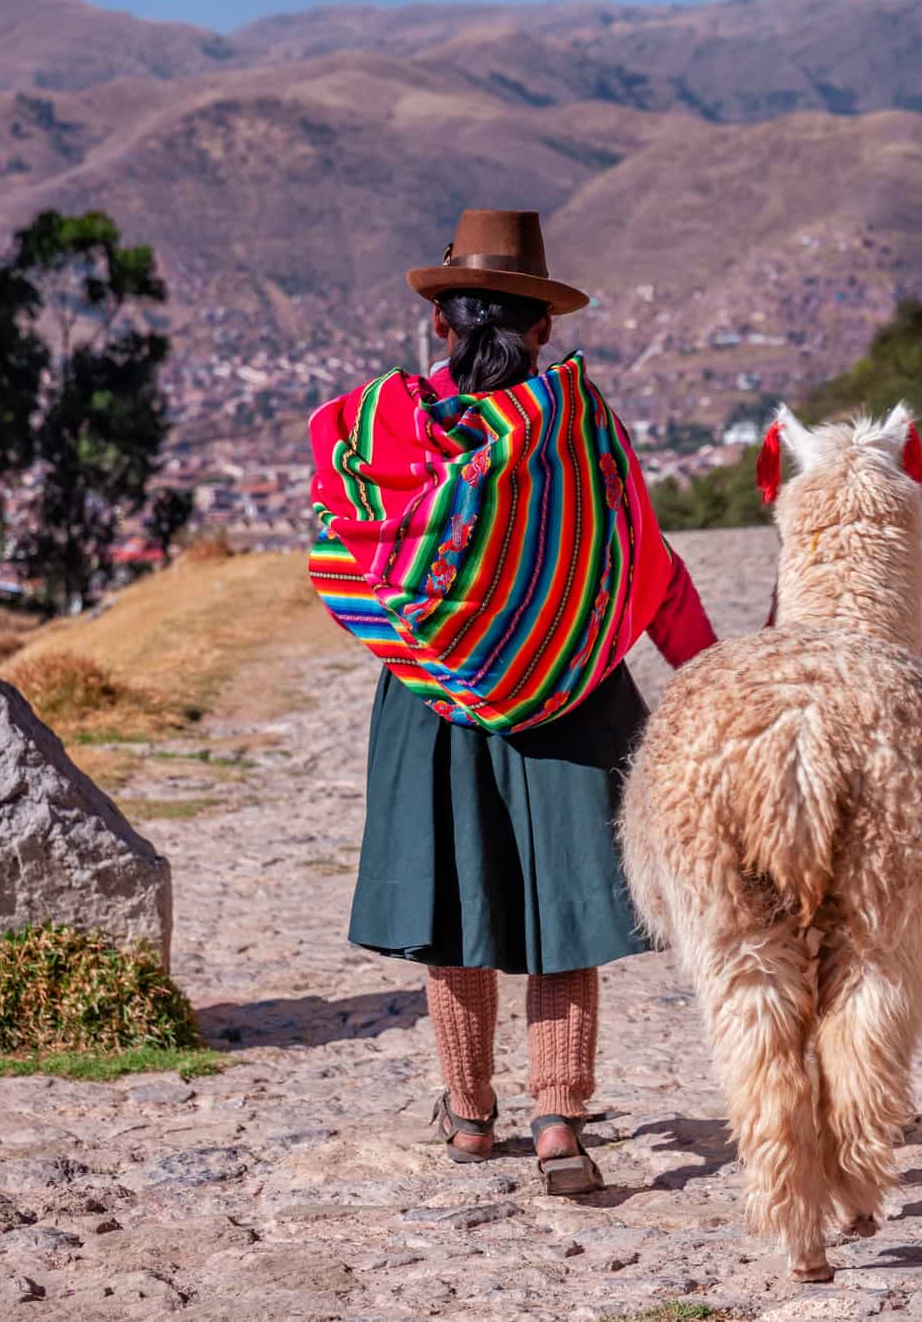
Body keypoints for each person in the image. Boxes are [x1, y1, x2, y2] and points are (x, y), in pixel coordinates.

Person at [306, 209, 717, 1194]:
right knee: (562, 916)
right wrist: (708, 675)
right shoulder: (580, 426)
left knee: (456, 912)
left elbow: (343, 543)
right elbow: (645, 561)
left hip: (431, 706)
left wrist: (444, 637)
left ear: (439, 324)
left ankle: (467, 1115)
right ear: (543, 329)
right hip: (573, 700)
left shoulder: (379, 428)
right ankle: (558, 1123)